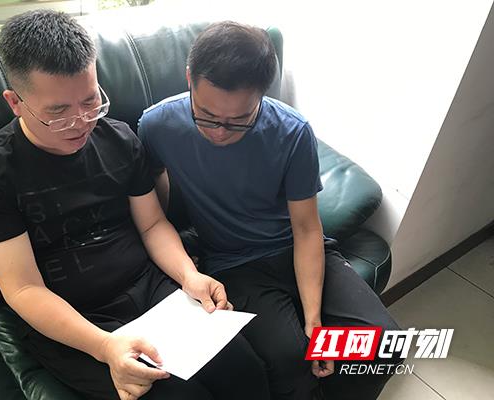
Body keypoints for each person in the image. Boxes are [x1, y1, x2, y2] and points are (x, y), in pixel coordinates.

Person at [0, 11, 270, 400]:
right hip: (75, 320)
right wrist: (105, 347)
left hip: (148, 288)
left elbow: (152, 225)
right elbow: (23, 289)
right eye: (58, 112)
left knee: (246, 371)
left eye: (90, 100)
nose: (81, 122)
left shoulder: (119, 139)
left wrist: (189, 275)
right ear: (15, 103)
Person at [138, 21, 404, 400]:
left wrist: (314, 320)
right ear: (189, 79)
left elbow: (307, 229)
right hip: (235, 264)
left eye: (238, 120)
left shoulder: (292, 132)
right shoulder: (157, 125)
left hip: (296, 246)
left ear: (262, 96)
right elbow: (154, 200)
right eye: (206, 115)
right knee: (289, 359)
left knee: (384, 344)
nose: (219, 131)